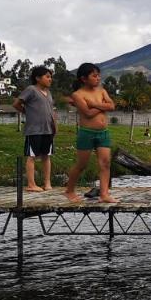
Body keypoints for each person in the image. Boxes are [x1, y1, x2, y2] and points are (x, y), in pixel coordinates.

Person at [64, 62, 118, 203]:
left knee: (105, 163)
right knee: (82, 164)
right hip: (87, 133)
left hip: (103, 133)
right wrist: (104, 107)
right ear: (84, 78)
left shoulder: (101, 91)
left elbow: (112, 105)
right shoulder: (77, 95)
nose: (98, 78)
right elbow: (87, 113)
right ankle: (69, 190)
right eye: (94, 76)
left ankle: (104, 194)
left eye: (98, 75)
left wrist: (94, 104)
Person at [13, 65, 58, 192]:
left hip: (48, 129)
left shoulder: (49, 93)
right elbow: (17, 103)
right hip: (34, 130)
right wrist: (27, 112)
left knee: (46, 156)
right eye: (47, 77)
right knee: (32, 156)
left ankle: (47, 183)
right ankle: (31, 184)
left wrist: (55, 126)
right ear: (38, 78)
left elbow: (51, 111)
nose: (50, 79)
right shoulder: (31, 90)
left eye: (51, 77)